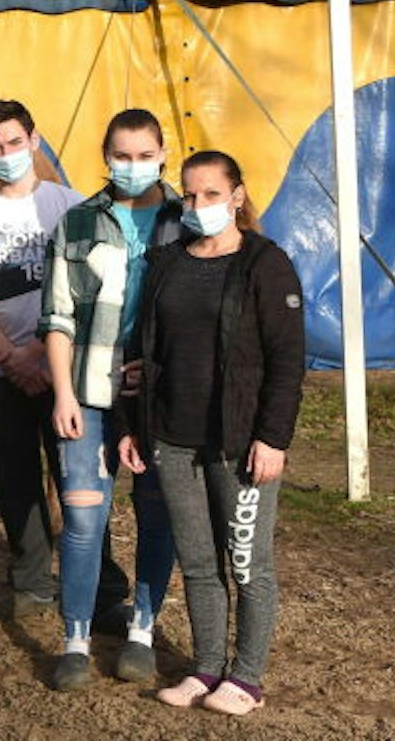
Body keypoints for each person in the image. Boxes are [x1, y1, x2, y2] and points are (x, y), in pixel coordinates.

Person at [117, 151, 304, 716]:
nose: (199, 206)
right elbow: (141, 351)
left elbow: (287, 360)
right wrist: (133, 424)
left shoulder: (266, 264)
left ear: (237, 197)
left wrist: (273, 438)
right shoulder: (167, 262)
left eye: (212, 195)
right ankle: (204, 668)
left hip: (239, 443)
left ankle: (246, 678)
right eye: (191, 196)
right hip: (173, 439)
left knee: (247, 565)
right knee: (198, 563)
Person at [39, 108, 182, 690]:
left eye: (144, 156)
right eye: (122, 156)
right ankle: (74, 640)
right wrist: (63, 394)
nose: (133, 166)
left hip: (161, 400)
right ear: (105, 156)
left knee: (157, 510)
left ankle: (142, 631)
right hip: (90, 392)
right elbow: (56, 315)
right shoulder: (77, 222)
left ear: (163, 155)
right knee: (82, 515)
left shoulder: (186, 221)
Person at [0, 99, 83, 615]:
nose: (6, 154)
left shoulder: (72, 207)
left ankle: (99, 584)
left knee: (77, 481)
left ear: (34, 140)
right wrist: (11, 357)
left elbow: (89, 287)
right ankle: (31, 581)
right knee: (14, 480)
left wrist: (42, 352)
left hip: (62, 370)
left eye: (14, 143)